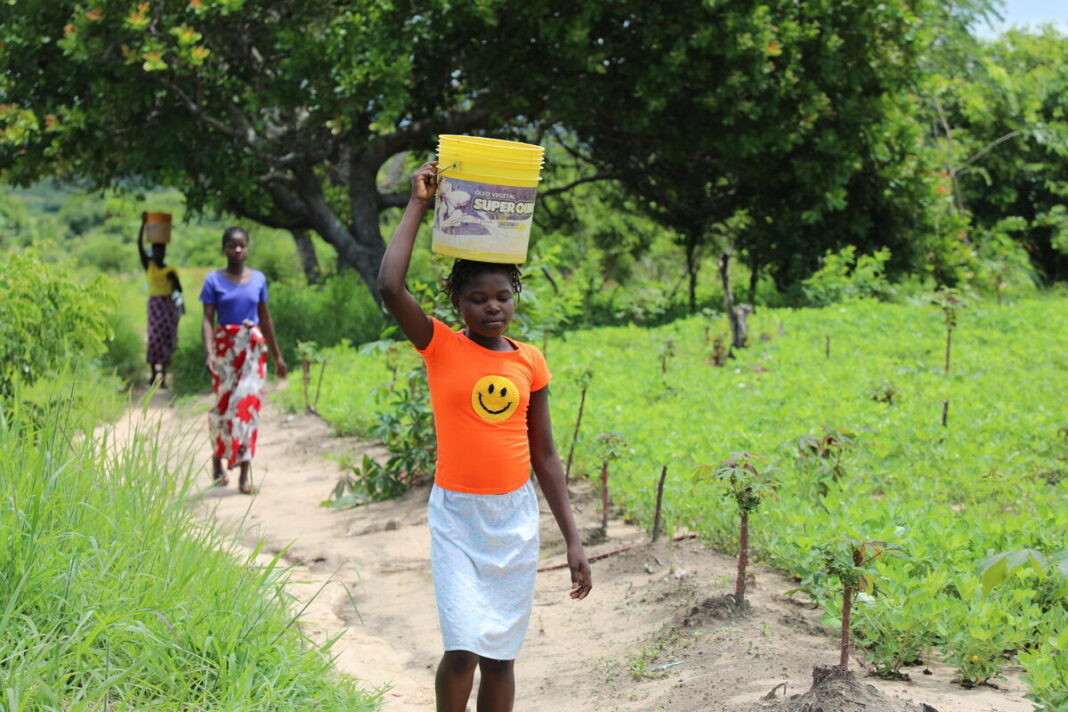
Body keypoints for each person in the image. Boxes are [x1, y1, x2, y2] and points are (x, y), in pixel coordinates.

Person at [378, 161, 592, 712]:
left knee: (500, 655)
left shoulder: (530, 362)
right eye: (478, 298)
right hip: (457, 517)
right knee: (462, 651)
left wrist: (572, 539)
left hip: (514, 521)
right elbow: (389, 286)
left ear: (514, 298)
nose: (492, 306)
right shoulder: (441, 346)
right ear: (458, 305)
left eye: (502, 296)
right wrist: (418, 203)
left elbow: (546, 456)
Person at [199, 226, 287, 494]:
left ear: (247, 248)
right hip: (225, 351)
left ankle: (245, 473)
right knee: (224, 407)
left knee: (247, 408)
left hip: (252, 350)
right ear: (224, 248)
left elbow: (266, 318)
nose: (237, 250)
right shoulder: (213, 281)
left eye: (242, 245)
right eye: (232, 245)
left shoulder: (258, 279)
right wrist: (209, 352)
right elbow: (207, 319)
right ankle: (218, 459)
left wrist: (277, 356)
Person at [137, 213, 183, 388]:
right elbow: (139, 245)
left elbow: (179, 289)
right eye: (156, 251)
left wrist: (173, 280)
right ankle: (153, 374)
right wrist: (143, 225)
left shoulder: (171, 270)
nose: (159, 254)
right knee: (154, 337)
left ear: (164, 252)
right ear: (152, 251)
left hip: (168, 306)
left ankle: (163, 375)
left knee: (167, 338)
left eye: (161, 251)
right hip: (155, 306)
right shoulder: (149, 266)